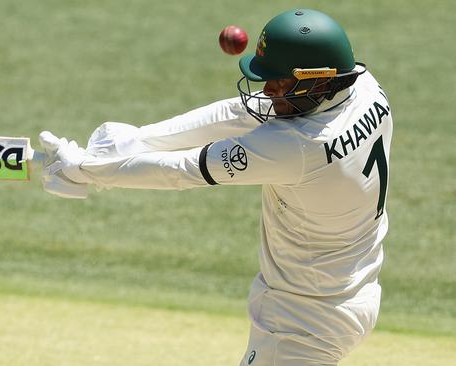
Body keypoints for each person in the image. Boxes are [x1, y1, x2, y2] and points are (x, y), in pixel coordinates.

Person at [39, 8, 392, 366]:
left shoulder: (300, 146)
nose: (268, 91)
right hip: (354, 290)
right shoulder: (364, 87)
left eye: (280, 82)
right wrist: (138, 140)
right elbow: (239, 113)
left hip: (301, 323)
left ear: (317, 79)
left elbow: (183, 170)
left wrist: (87, 169)